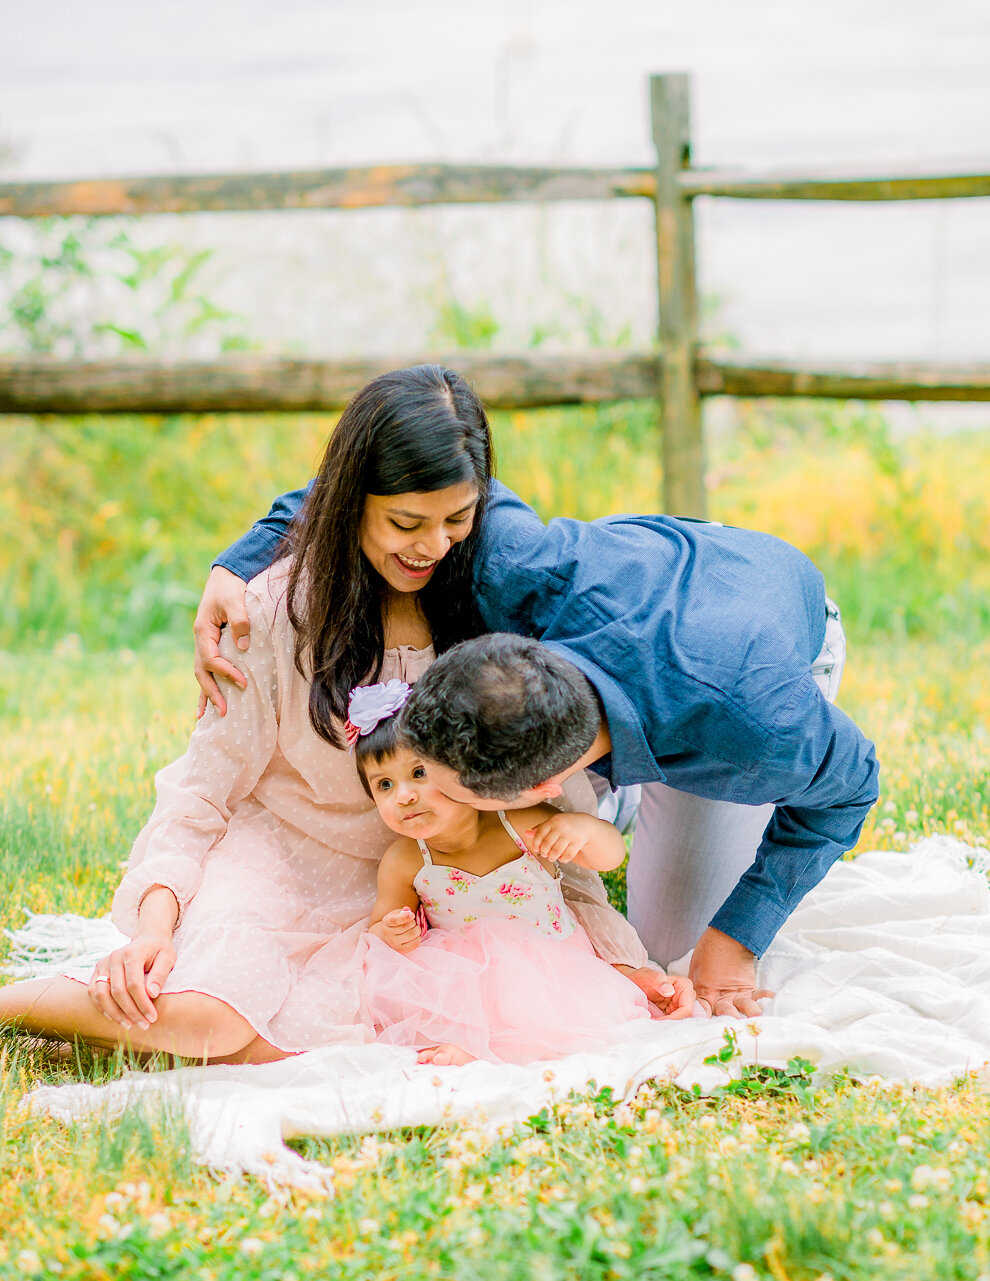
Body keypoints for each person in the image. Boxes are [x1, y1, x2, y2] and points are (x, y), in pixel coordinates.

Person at [0, 365, 663, 1062]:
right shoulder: (275, 608)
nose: (433, 546)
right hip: (276, 863)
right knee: (211, 1020)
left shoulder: (491, 608)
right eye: (406, 522)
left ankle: (142, 1027)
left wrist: (618, 960)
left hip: (401, 891)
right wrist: (154, 928)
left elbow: (547, 809)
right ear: (350, 501)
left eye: (457, 521)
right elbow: (202, 788)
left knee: (356, 1047)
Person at [193, 435, 879, 1021]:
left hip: (759, 624)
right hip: (657, 582)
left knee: (674, 941)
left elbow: (849, 789)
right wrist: (237, 561)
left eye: (448, 786)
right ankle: (623, 799)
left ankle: (637, 799)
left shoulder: (759, 725)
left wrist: (738, 937)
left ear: (544, 786)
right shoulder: (520, 567)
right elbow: (389, 459)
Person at [348, 680, 693, 1066]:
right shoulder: (406, 859)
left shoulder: (518, 823)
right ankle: (470, 1047)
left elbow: (610, 856)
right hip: (461, 979)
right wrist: (392, 931)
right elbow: (379, 929)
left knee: (567, 1023)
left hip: (553, 968)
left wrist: (582, 829)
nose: (404, 796)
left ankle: (498, 1050)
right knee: (438, 1006)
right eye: (384, 785)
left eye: (418, 773)